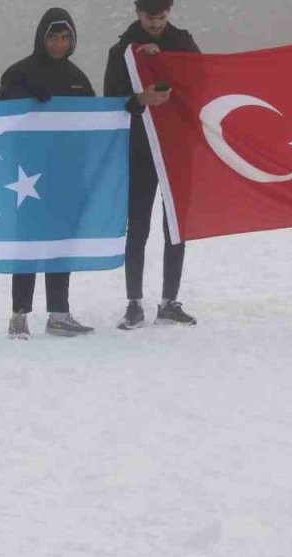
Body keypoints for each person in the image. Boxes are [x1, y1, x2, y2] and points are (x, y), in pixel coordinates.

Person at [0, 7, 170, 339]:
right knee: (30, 243)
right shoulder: (19, 73)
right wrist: (26, 99)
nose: (59, 44)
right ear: (41, 37)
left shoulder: (77, 77)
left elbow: (102, 116)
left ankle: (59, 313)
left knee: (62, 241)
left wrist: (139, 100)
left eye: (65, 38)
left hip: (67, 174)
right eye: (53, 37)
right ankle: (18, 315)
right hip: (27, 176)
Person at [105, 0, 197, 330]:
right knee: (138, 227)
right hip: (139, 150)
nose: (156, 24)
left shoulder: (183, 43)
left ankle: (169, 302)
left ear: (169, 12)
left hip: (176, 149)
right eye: (150, 18)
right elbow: (110, 102)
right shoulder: (121, 51)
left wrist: (168, 65)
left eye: (162, 17)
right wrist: (139, 99)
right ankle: (134, 304)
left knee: (175, 225)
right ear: (137, 13)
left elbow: (200, 85)